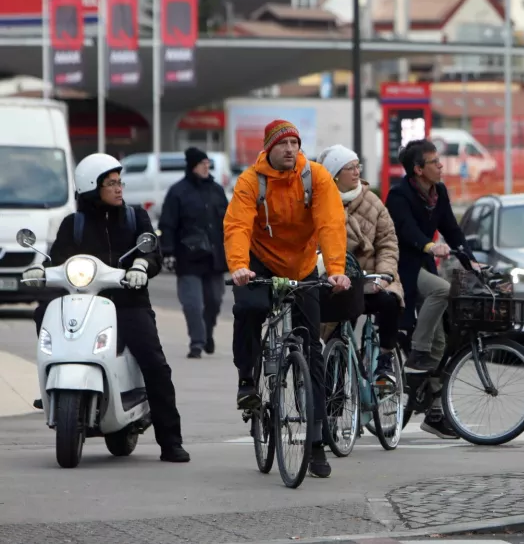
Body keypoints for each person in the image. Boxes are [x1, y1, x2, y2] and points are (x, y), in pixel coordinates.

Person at [22, 153, 189, 463]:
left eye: (119, 182)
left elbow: (151, 249)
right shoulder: (74, 224)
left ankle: (171, 441)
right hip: (82, 301)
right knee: (44, 312)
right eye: (110, 183)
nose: (118, 188)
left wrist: (142, 264)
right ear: (91, 187)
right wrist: (41, 272)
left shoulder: (135, 217)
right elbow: (58, 261)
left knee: (154, 363)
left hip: (127, 302)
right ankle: (55, 383)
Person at [223, 119, 351, 479]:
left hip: (303, 265)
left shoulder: (317, 177)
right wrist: (238, 266)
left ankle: (316, 443)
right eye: (283, 144)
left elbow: (330, 223)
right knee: (250, 308)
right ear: (268, 148)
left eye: (295, 142)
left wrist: (336, 269)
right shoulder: (251, 180)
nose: (290, 149)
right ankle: (247, 379)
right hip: (258, 262)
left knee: (311, 355)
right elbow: (237, 225)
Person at [385, 139, 477, 439]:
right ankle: (417, 355)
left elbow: (452, 228)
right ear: (418, 169)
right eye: (434, 162)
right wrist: (428, 245)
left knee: (442, 343)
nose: (441, 165)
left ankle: (435, 412)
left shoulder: (440, 194)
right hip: (403, 265)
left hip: (424, 262)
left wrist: (470, 261)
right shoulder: (399, 195)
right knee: (440, 290)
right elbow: (405, 229)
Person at [316, 145, 404, 387]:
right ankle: (335, 390)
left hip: (373, 278)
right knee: (337, 329)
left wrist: (385, 275)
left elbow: (388, 242)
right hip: (339, 281)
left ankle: (384, 361)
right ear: (334, 174)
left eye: (358, 167)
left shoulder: (372, 201)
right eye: (350, 168)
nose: (356, 172)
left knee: (389, 302)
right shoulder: (319, 201)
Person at [158, 147, 229, 360]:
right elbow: (167, 224)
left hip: (214, 258)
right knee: (192, 304)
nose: (206, 167)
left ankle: (207, 333)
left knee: (215, 301)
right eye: (202, 163)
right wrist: (168, 251)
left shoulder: (216, 190)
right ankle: (197, 342)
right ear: (192, 166)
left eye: (208, 163)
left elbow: (228, 222)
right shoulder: (177, 192)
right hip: (187, 259)